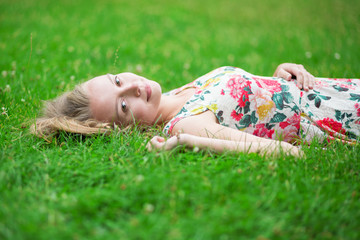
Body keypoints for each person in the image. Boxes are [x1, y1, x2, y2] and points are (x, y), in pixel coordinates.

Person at [32, 63, 360, 156]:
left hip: (332, 90)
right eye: (122, 105)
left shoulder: (172, 95)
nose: (133, 87)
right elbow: (291, 153)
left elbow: (254, 106)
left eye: (117, 79)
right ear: (126, 129)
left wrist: (279, 75)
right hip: (342, 117)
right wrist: (189, 143)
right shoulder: (185, 125)